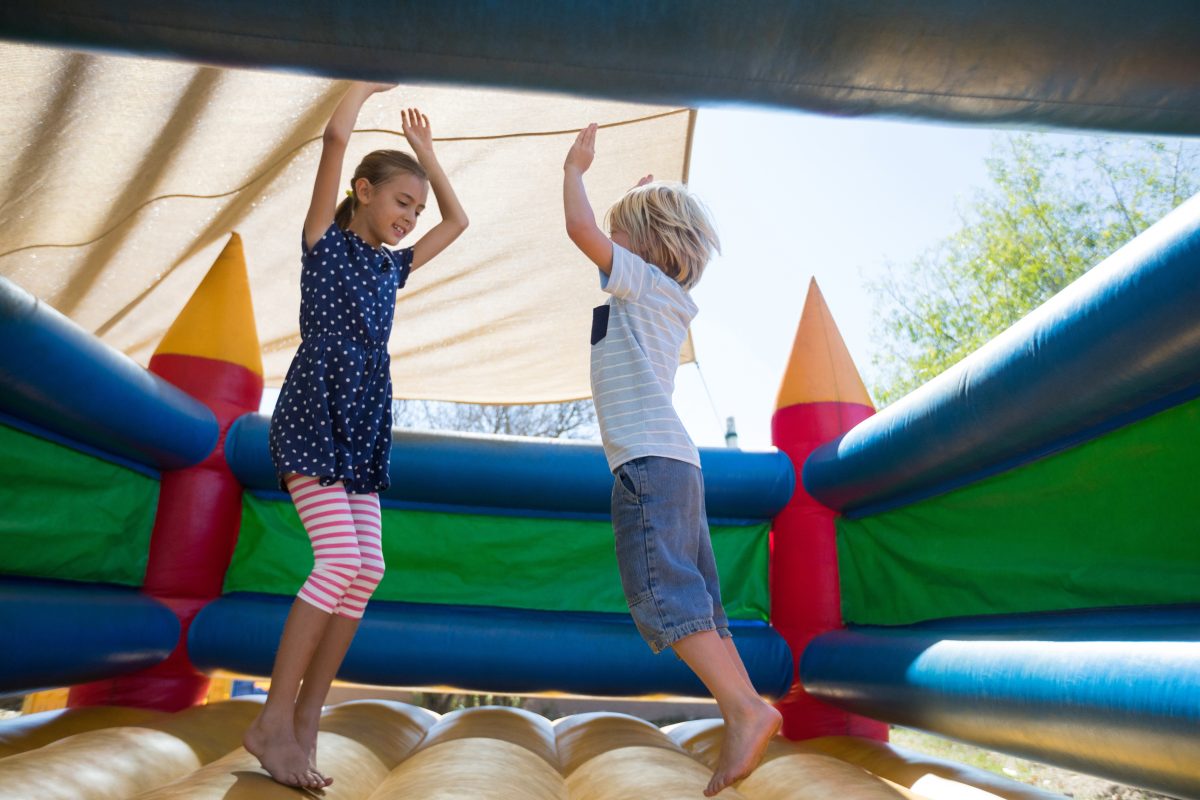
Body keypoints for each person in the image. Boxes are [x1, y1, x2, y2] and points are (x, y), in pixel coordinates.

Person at [244, 81, 468, 790]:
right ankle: (273, 719)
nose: (411, 218)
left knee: (367, 568)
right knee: (338, 559)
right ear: (364, 191)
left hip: (364, 422)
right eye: (402, 202)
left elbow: (459, 223)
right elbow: (335, 143)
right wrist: (359, 88)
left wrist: (429, 159)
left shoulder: (389, 269)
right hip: (316, 415)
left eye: (415, 210)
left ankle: (307, 716)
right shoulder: (325, 246)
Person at [562, 123, 781, 797]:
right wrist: (640, 210)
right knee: (701, 602)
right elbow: (623, 239)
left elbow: (581, 231)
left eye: (620, 236)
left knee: (662, 595)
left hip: (649, 467)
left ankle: (744, 709)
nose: (608, 243)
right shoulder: (662, 293)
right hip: (676, 465)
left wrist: (575, 171)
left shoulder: (640, 284)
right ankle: (746, 708)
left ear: (642, 249)